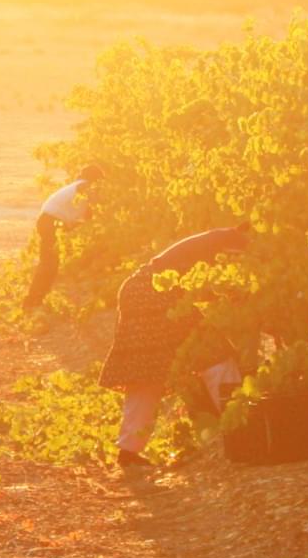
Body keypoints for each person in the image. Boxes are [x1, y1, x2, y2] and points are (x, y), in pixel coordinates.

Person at [98, 225, 250, 470]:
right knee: (215, 355)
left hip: (141, 289)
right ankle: (241, 429)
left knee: (146, 372)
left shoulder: (223, 238)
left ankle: (128, 451)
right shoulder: (235, 245)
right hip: (155, 292)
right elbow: (230, 292)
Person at [23, 165, 103, 310]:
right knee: (49, 263)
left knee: (51, 264)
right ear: (94, 179)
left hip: (51, 222)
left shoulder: (75, 188)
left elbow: (85, 217)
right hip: (51, 222)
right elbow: (93, 208)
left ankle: (37, 299)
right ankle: (32, 301)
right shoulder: (84, 186)